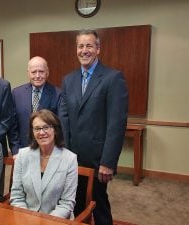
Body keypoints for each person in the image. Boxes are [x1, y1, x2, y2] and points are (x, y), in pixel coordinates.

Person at [59, 29, 129, 225]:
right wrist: (63, 152)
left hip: (98, 159)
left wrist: (108, 161)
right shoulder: (68, 80)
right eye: (80, 46)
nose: (84, 50)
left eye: (89, 45)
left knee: (99, 205)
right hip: (72, 156)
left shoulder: (113, 78)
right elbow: (63, 118)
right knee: (76, 202)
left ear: (98, 49)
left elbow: (116, 123)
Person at [10, 109, 77, 219]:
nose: (41, 132)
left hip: (56, 220)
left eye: (46, 127)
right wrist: (28, 218)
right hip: (26, 218)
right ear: (33, 132)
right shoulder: (22, 155)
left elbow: (66, 204)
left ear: (55, 130)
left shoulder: (70, 159)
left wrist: (44, 222)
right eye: (37, 128)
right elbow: (17, 196)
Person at [7, 56, 61, 154]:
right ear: (28, 73)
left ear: (47, 72)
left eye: (41, 71)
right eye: (33, 72)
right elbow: (12, 126)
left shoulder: (58, 94)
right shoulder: (16, 93)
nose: (37, 75)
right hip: (22, 151)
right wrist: (15, 150)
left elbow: (59, 127)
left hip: (49, 151)